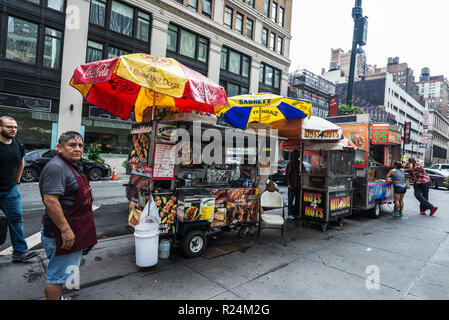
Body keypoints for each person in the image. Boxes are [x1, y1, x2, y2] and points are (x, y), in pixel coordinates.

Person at [39, 131, 97, 300]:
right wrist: (65, 230)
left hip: (75, 228)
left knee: (61, 272)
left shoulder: (73, 165)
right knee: (56, 277)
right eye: (72, 145)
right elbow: (50, 200)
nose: (77, 149)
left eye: (80, 145)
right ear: (59, 147)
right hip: (62, 233)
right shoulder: (56, 167)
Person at [0, 116, 38, 263]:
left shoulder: (18, 144)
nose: (13, 129)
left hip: (10, 190)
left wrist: (17, 182)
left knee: (16, 220)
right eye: (9, 127)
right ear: (0, 127)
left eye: (15, 127)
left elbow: (21, 163)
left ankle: (20, 252)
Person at [286, 149, 300, 219]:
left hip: (298, 185)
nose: (298, 155)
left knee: (297, 200)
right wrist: (289, 184)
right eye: (296, 154)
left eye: (298, 154)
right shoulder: (290, 164)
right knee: (290, 200)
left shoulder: (299, 163)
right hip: (292, 185)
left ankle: (295, 212)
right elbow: (288, 175)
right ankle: (290, 214)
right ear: (293, 155)